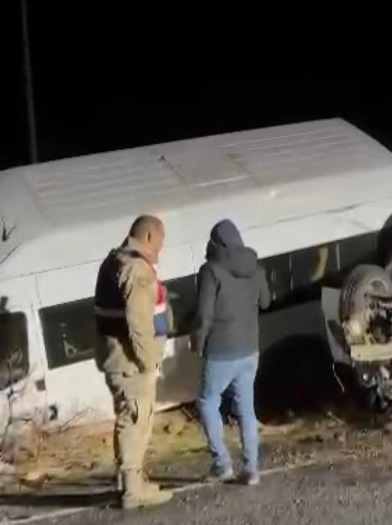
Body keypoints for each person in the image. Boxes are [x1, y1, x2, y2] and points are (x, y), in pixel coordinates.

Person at [94, 214, 174, 509]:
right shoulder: (136, 269)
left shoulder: (113, 260)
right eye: (161, 241)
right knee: (136, 420)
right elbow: (138, 321)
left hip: (115, 356)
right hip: (131, 361)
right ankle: (133, 489)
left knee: (127, 418)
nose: (161, 249)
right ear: (150, 237)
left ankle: (129, 482)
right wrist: (149, 360)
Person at [192, 219, 271, 485]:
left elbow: (203, 316)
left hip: (220, 350)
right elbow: (267, 301)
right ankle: (251, 469)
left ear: (215, 244)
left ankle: (222, 464)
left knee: (207, 402)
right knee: (246, 409)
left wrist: (197, 344)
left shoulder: (210, 271)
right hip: (250, 349)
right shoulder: (256, 267)